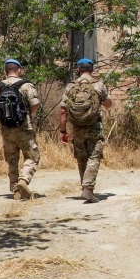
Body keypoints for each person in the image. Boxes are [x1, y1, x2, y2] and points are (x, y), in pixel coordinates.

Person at [58, 58, 112, 203]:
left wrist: (63, 132)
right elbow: (108, 104)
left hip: (77, 129)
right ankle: (88, 189)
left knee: (82, 158)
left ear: (78, 70)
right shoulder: (99, 85)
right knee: (94, 156)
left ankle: (85, 188)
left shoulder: (70, 87)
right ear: (92, 70)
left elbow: (63, 111)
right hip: (94, 127)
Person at [0, 58, 42, 200]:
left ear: (5, 72)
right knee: (32, 156)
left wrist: (3, 118)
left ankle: (15, 188)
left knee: (12, 159)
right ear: (19, 70)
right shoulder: (26, 85)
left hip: (6, 129)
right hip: (24, 127)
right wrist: (29, 115)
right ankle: (23, 181)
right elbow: (35, 104)